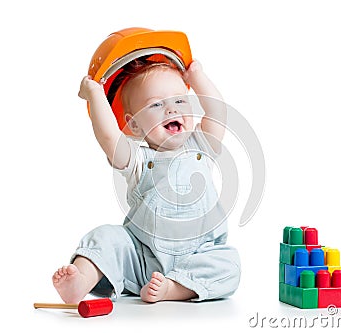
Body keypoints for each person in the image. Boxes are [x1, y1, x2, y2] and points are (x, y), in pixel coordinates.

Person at [52, 55, 241, 303]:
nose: (172, 109)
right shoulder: (138, 160)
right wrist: (95, 94)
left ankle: (174, 288)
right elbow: (109, 138)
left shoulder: (202, 145)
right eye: (156, 105)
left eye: (180, 100)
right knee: (105, 237)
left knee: (229, 265)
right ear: (134, 125)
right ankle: (80, 280)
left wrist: (197, 77)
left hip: (197, 255)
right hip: (141, 257)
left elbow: (217, 111)